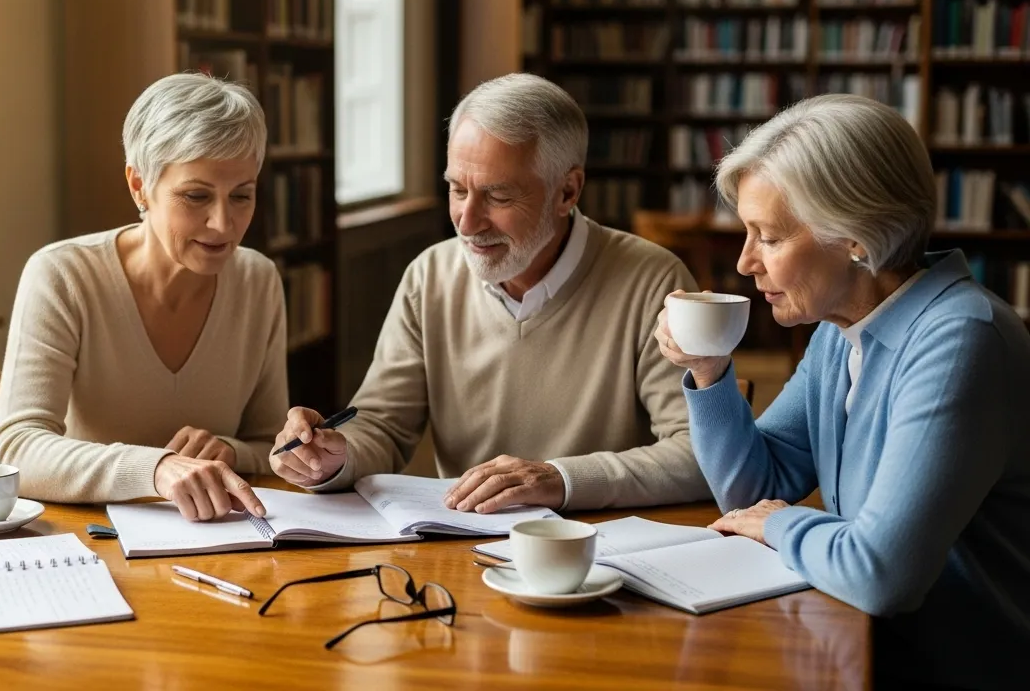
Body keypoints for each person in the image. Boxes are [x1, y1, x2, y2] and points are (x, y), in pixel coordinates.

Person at [653, 94, 1030, 690]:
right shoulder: (841, 329)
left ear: (854, 237)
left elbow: (880, 573)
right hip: (861, 645)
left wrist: (781, 525)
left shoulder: (961, 341)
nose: (746, 262)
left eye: (769, 237)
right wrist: (709, 371)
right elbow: (755, 490)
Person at [269, 72, 710, 511]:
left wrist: (560, 479)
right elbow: (383, 425)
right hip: (461, 547)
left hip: (596, 549)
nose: (466, 220)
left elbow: (699, 452)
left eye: (497, 197)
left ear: (568, 191)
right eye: (457, 190)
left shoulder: (653, 281)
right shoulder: (430, 276)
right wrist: (333, 455)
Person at [0, 73, 286, 521]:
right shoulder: (63, 275)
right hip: (87, 547)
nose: (223, 224)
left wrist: (229, 450)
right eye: (196, 196)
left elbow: (272, 446)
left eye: (241, 196)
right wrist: (156, 469)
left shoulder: (258, 280)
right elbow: (16, 449)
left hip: (218, 543)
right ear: (139, 185)